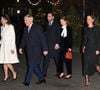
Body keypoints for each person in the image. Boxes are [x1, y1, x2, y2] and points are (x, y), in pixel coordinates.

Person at [19, 14, 48, 86]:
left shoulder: (37, 27)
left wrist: (45, 49)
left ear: (30, 20)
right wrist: (20, 47)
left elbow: (43, 39)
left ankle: (27, 82)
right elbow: (24, 40)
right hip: (29, 51)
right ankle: (42, 78)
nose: (24, 21)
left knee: (31, 65)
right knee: (35, 66)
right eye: (24, 20)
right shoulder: (25, 28)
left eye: (26, 20)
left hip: (37, 50)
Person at [0, 15, 19, 81]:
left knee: (7, 61)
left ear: (6, 20)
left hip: (9, 46)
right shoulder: (2, 27)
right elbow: (2, 38)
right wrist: (0, 42)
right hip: (3, 46)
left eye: (3, 19)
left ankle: (14, 72)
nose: (1, 20)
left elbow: (13, 37)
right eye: (1, 19)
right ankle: (6, 75)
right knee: (3, 61)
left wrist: (12, 48)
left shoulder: (10, 26)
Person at [82, 15, 100, 86]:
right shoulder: (85, 29)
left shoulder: (96, 29)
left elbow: (98, 40)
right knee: (86, 64)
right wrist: (83, 46)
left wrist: (98, 49)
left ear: (93, 20)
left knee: (95, 64)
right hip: (87, 49)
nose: (88, 20)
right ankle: (87, 81)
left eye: (89, 19)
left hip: (94, 49)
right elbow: (85, 39)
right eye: (87, 19)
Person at [42, 12, 61, 77]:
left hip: (55, 45)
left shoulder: (56, 24)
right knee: (46, 60)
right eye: (47, 16)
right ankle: (44, 73)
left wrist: (57, 43)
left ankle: (59, 72)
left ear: (53, 17)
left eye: (49, 16)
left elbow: (59, 34)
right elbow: (46, 34)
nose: (48, 17)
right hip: (48, 45)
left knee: (57, 60)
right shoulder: (47, 24)